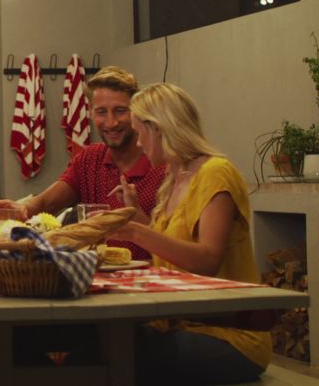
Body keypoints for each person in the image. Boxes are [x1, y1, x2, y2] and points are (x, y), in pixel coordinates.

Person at [113, 83, 270, 384]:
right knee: (104, 340)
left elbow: (207, 259)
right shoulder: (174, 178)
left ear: (157, 128)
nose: (138, 145)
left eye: (139, 134)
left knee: (120, 355)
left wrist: (135, 232)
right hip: (180, 325)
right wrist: (138, 217)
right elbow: (173, 246)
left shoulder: (215, 172)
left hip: (229, 336)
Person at [0, 66, 166, 259]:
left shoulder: (161, 164)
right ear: (90, 113)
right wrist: (22, 209)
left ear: (136, 113)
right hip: (95, 275)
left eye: (120, 111)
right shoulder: (90, 159)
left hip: (154, 277)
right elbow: (46, 202)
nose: (111, 122)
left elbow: (176, 244)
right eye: (101, 112)